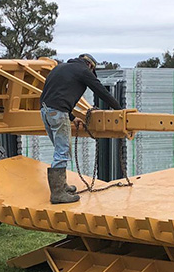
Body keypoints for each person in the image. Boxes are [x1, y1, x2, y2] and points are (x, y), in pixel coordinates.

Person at [40, 53, 122, 204]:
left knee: (60, 150)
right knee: (62, 151)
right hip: (57, 113)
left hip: (45, 111)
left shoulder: (60, 68)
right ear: (90, 66)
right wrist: (119, 109)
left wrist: (71, 117)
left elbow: (53, 95)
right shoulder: (83, 71)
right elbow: (100, 91)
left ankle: (62, 186)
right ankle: (58, 194)